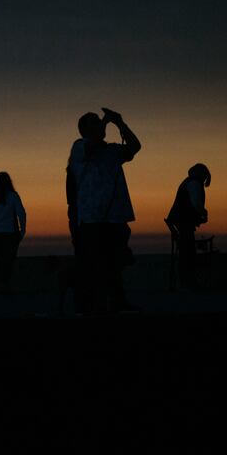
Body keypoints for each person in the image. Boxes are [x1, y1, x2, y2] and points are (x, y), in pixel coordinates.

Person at [68, 108, 141, 314]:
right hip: (92, 218)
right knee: (92, 264)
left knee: (114, 264)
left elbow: (135, 146)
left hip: (115, 217)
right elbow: (92, 144)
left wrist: (120, 124)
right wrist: (108, 121)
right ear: (84, 130)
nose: (101, 126)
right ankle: (90, 305)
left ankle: (118, 301)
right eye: (95, 123)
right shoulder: (80, 147)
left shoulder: (112, 151)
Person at [166, 164, 211, 290]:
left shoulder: (188, 182)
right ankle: (188, 282)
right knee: (188, 252)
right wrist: (203, 213)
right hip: (184, 222)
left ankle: (186, 281)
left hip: (181, 221)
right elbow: (196, 203)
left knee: (186, 251)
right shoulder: (194, 184)